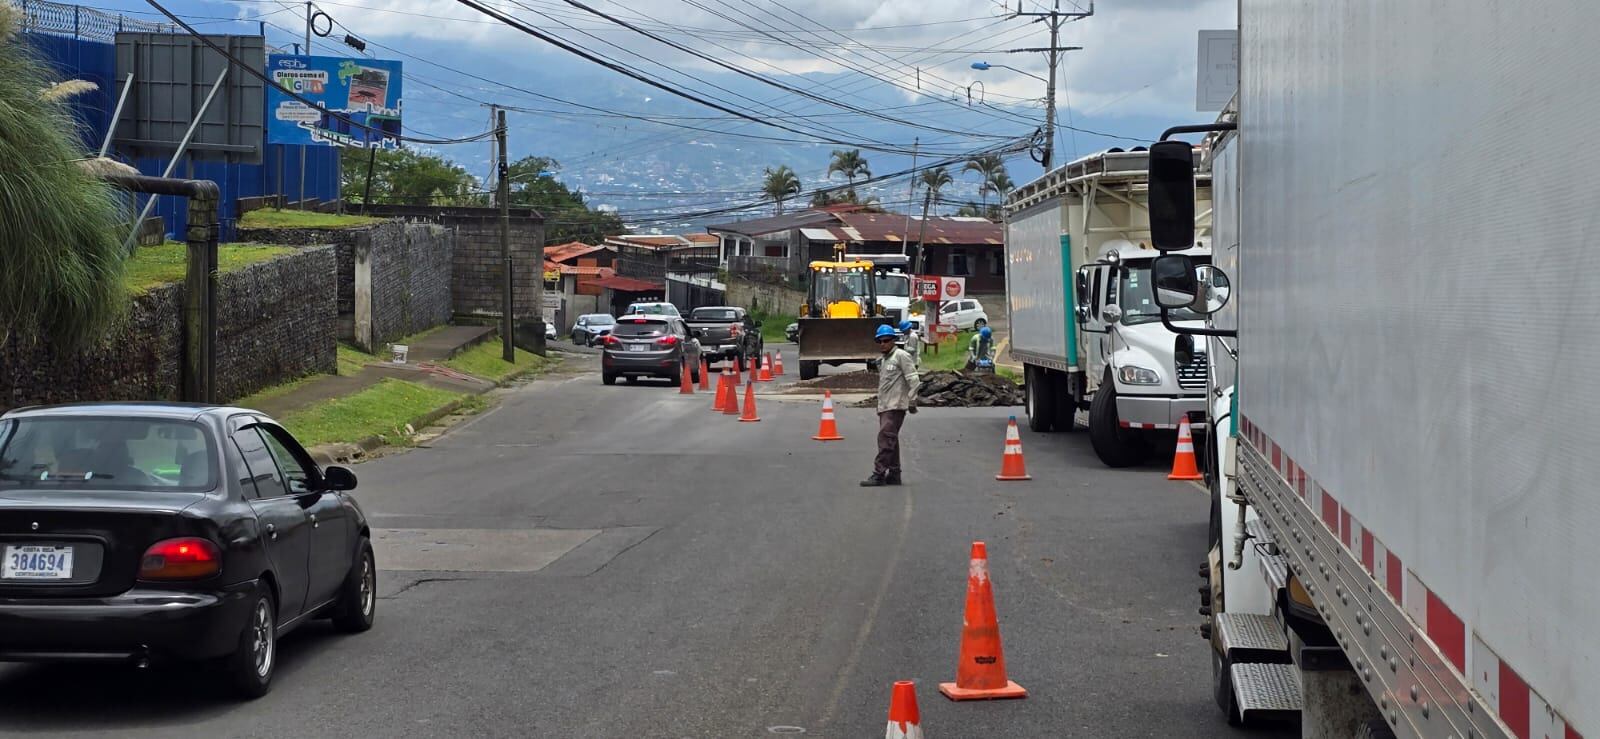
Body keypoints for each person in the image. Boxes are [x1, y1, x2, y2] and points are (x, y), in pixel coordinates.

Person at [862, 324, 919, 487]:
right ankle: (894, 474)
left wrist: (913, 400)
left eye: (886, 340)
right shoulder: (885, 360)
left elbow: (913, 379)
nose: (882, 344)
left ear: (893, 340)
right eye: (879, 341)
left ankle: (878, 474)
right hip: (885, 405)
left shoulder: (901, 356)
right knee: (891, 439)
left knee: (885, 438)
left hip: (896, 406)